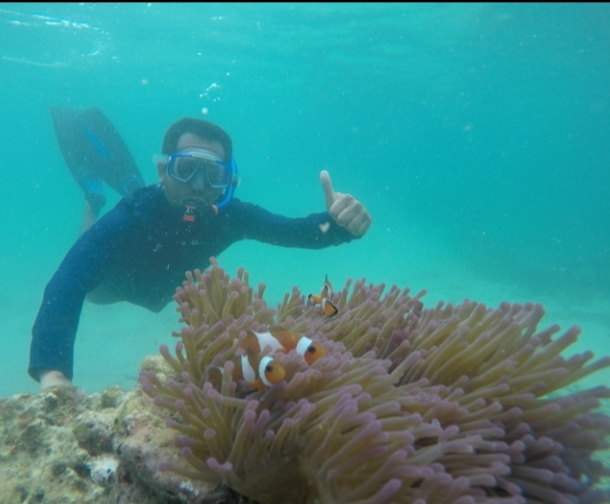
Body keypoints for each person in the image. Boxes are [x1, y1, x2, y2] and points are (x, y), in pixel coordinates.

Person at [31, 108, 373, 390]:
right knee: (87, 249)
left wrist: (339, 226)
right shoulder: (130, 217)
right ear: (163, 170)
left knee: (139, 196)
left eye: (212, 175)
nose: (198, 186)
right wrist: (53, 372)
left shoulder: (229, 217)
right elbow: (67, 282)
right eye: (185, 169)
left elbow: (292, 231)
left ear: (228, 181)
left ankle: (121, 184)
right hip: (106, 286)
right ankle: (92, 201)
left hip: (154, 290)